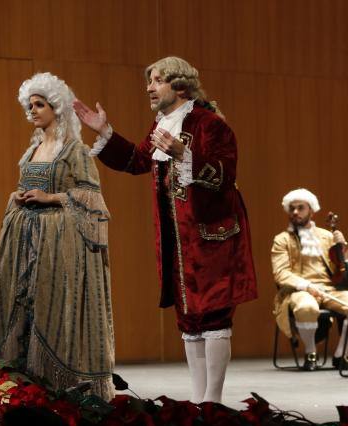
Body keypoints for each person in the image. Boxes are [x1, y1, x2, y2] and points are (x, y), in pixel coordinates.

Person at [73, 56, 257, 403]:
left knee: (214, 316)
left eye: (157, 81)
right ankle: (199, 400)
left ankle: (213, 401)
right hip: (178, 241)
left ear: (180, 85)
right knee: (189, 319)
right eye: (150, 81)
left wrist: (184, 153)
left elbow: (223, 175)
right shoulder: (164, 123)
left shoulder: (209, 124)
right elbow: (138, 161)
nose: (149, 88)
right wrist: (103, 132)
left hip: (211, 238)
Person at [0, 73, 115, 399]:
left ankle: (57, 386)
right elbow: (25, 185)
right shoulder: (31, 151)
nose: (32, 110)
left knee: (50, 309)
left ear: (56, 107)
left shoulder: (75, 151)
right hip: (24, 244)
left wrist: (52, 198)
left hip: (58, 246)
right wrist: (17, 195)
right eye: (29, 105)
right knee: (20, 306)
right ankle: (20, 383)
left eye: (39, 104)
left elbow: (92, 199)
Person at [271, 188, 348, 371]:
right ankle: (310, 352)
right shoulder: (281, 239)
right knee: (306, 307)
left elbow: (340, 269)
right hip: (299, 290)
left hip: (329, 289)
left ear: (311, 210)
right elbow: (280, 273)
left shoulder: (327, 236)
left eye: (300, 208)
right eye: (292, 208)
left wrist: (343, 249)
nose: (295, 212)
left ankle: (341, 354)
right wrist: (306, 285)